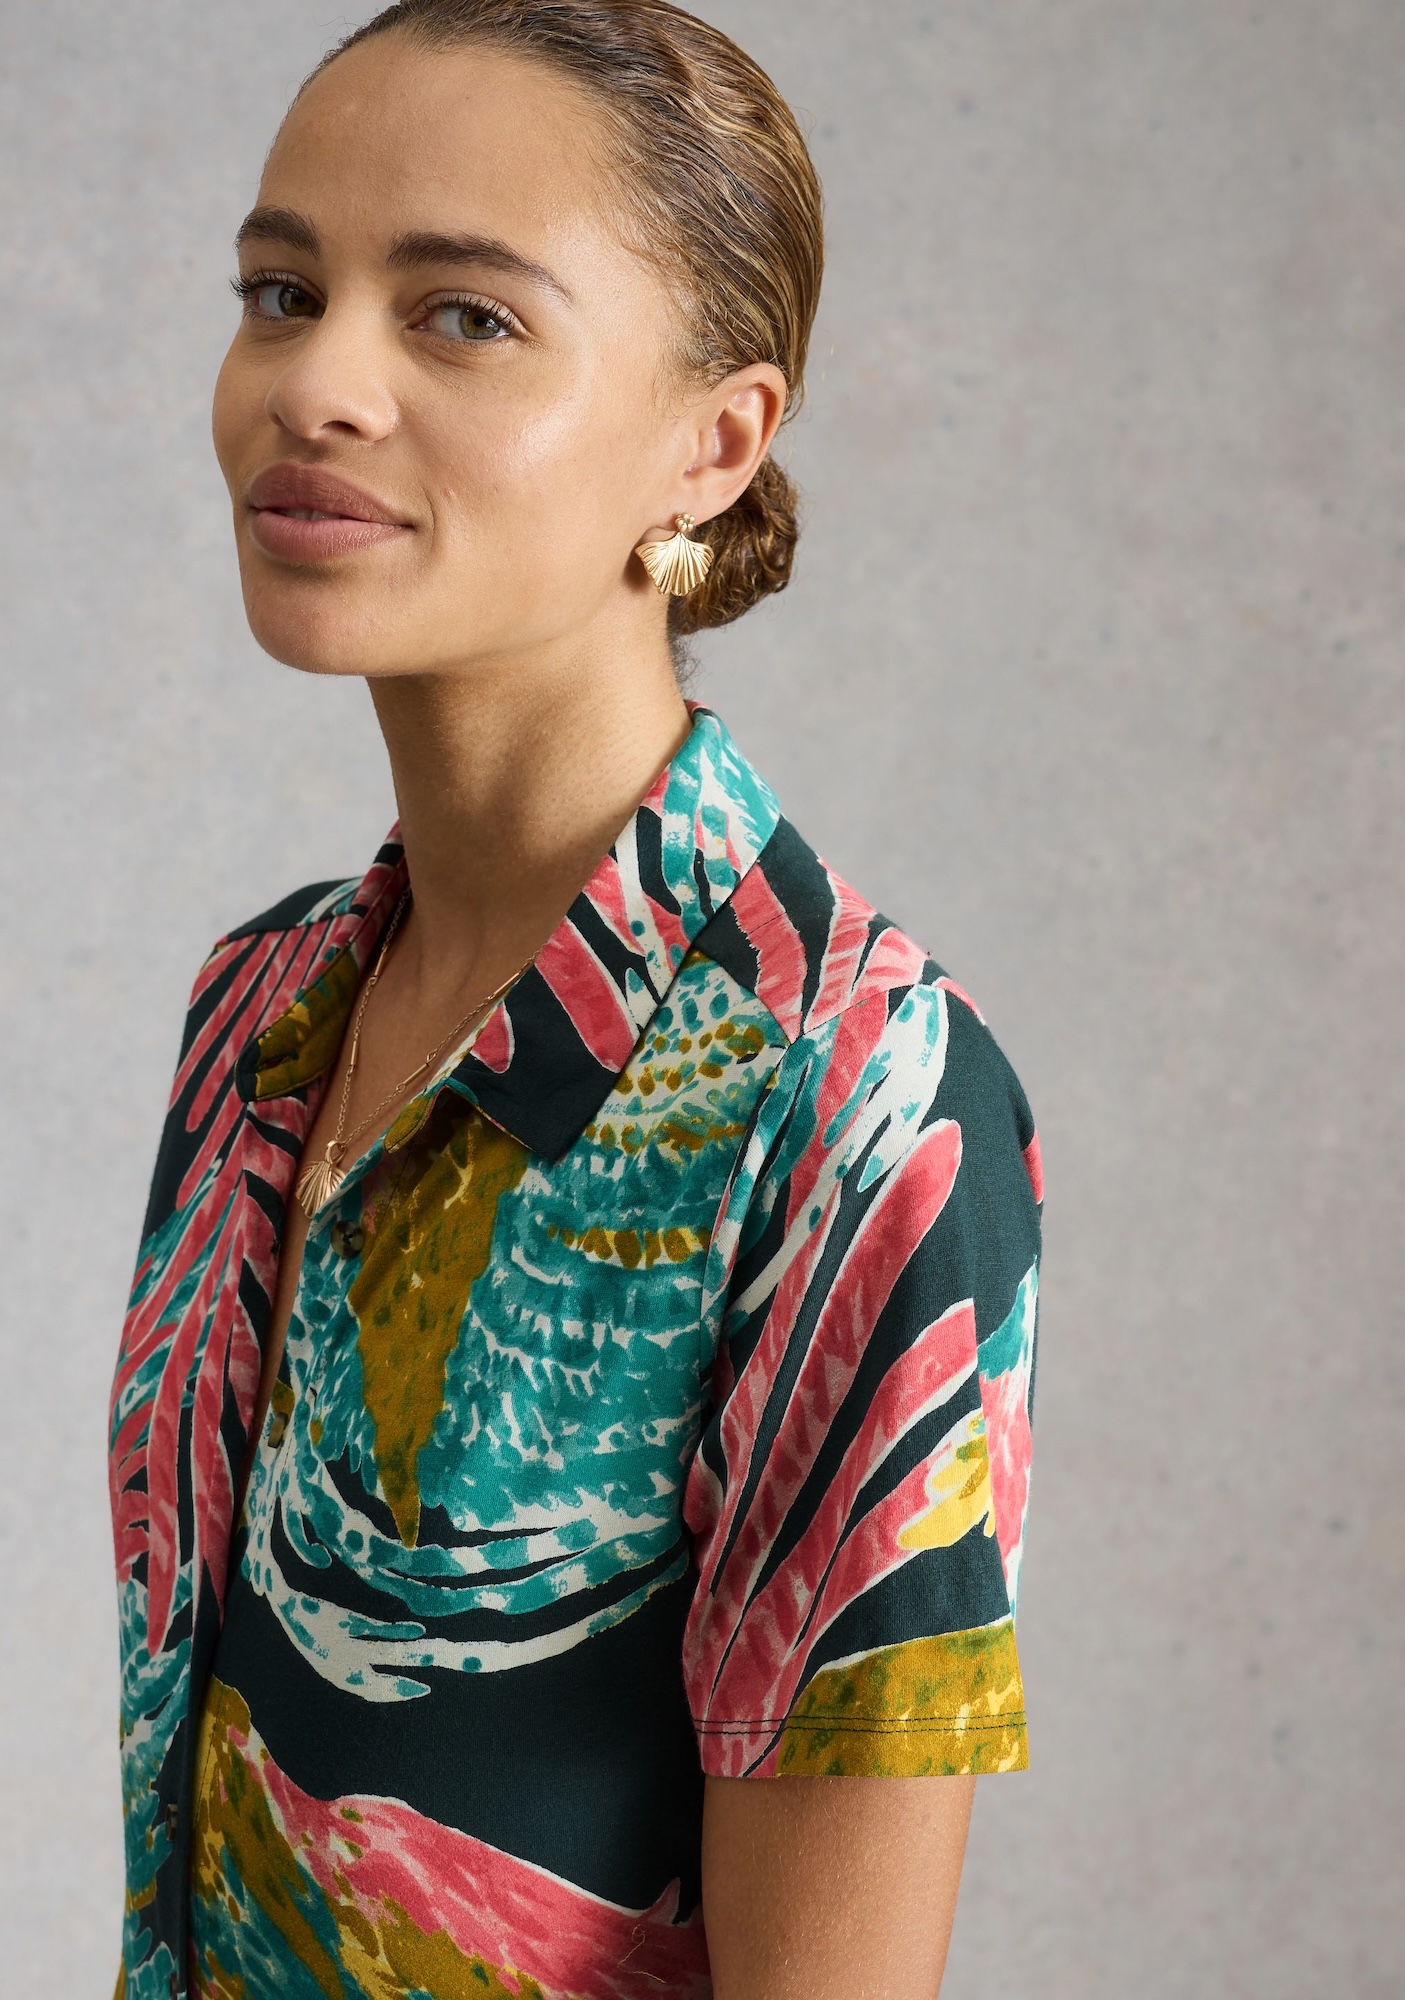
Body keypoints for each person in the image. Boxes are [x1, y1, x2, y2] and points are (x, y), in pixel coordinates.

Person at [108, 4, 1044, 1995]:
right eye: (284, 292)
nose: (317, 383)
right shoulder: (263, 1007)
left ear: (715, 440)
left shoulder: (850, 1090)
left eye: (464, 317)